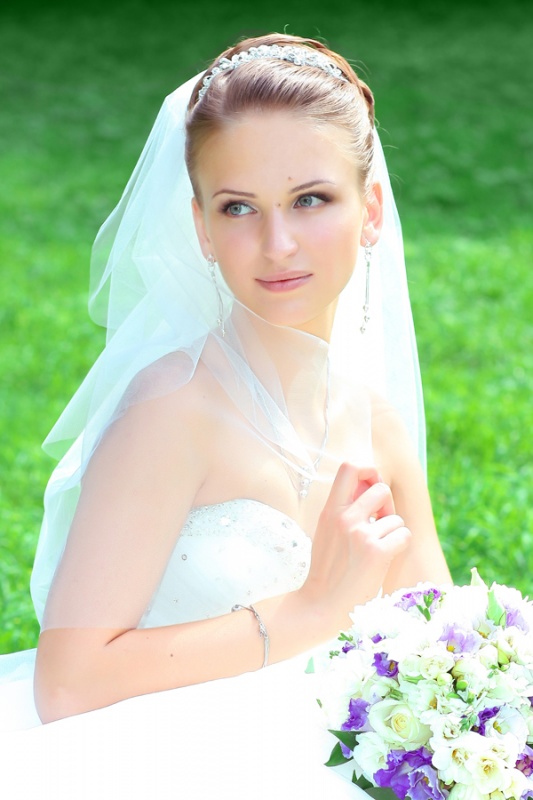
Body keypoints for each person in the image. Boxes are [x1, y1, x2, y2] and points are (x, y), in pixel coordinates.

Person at [0, 32, 450, 798]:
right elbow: (67, 685)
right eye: (239, 207)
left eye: (310, 199)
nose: (278, 244)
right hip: (163, 762)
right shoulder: (172, 410)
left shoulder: (374, 423)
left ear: (370, 210)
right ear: (202, 228)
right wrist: (308, 611)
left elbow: (440, 638)